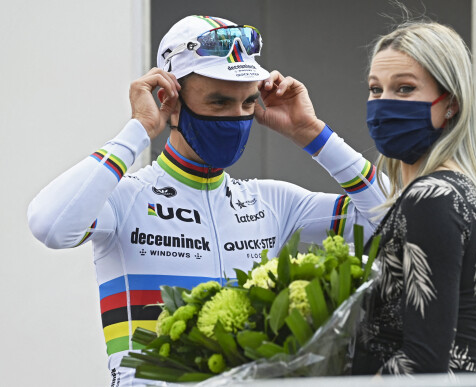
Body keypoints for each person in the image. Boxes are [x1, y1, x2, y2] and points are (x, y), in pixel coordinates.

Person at [27, 15, 386, 386]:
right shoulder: (125, 198)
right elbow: (50, 225)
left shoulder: (273, 201)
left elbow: (396, 220)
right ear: (169, 99)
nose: (236, 117)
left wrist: (313, 134)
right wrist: (139, 130)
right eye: (219, 102)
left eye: (248, 103)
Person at [351, 21, 476, 375]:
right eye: (375, 89)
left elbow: (423, 365)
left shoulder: (432, 197)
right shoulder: (455, 192)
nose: (383, 104)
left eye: (404, 89)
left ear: (451, 105)